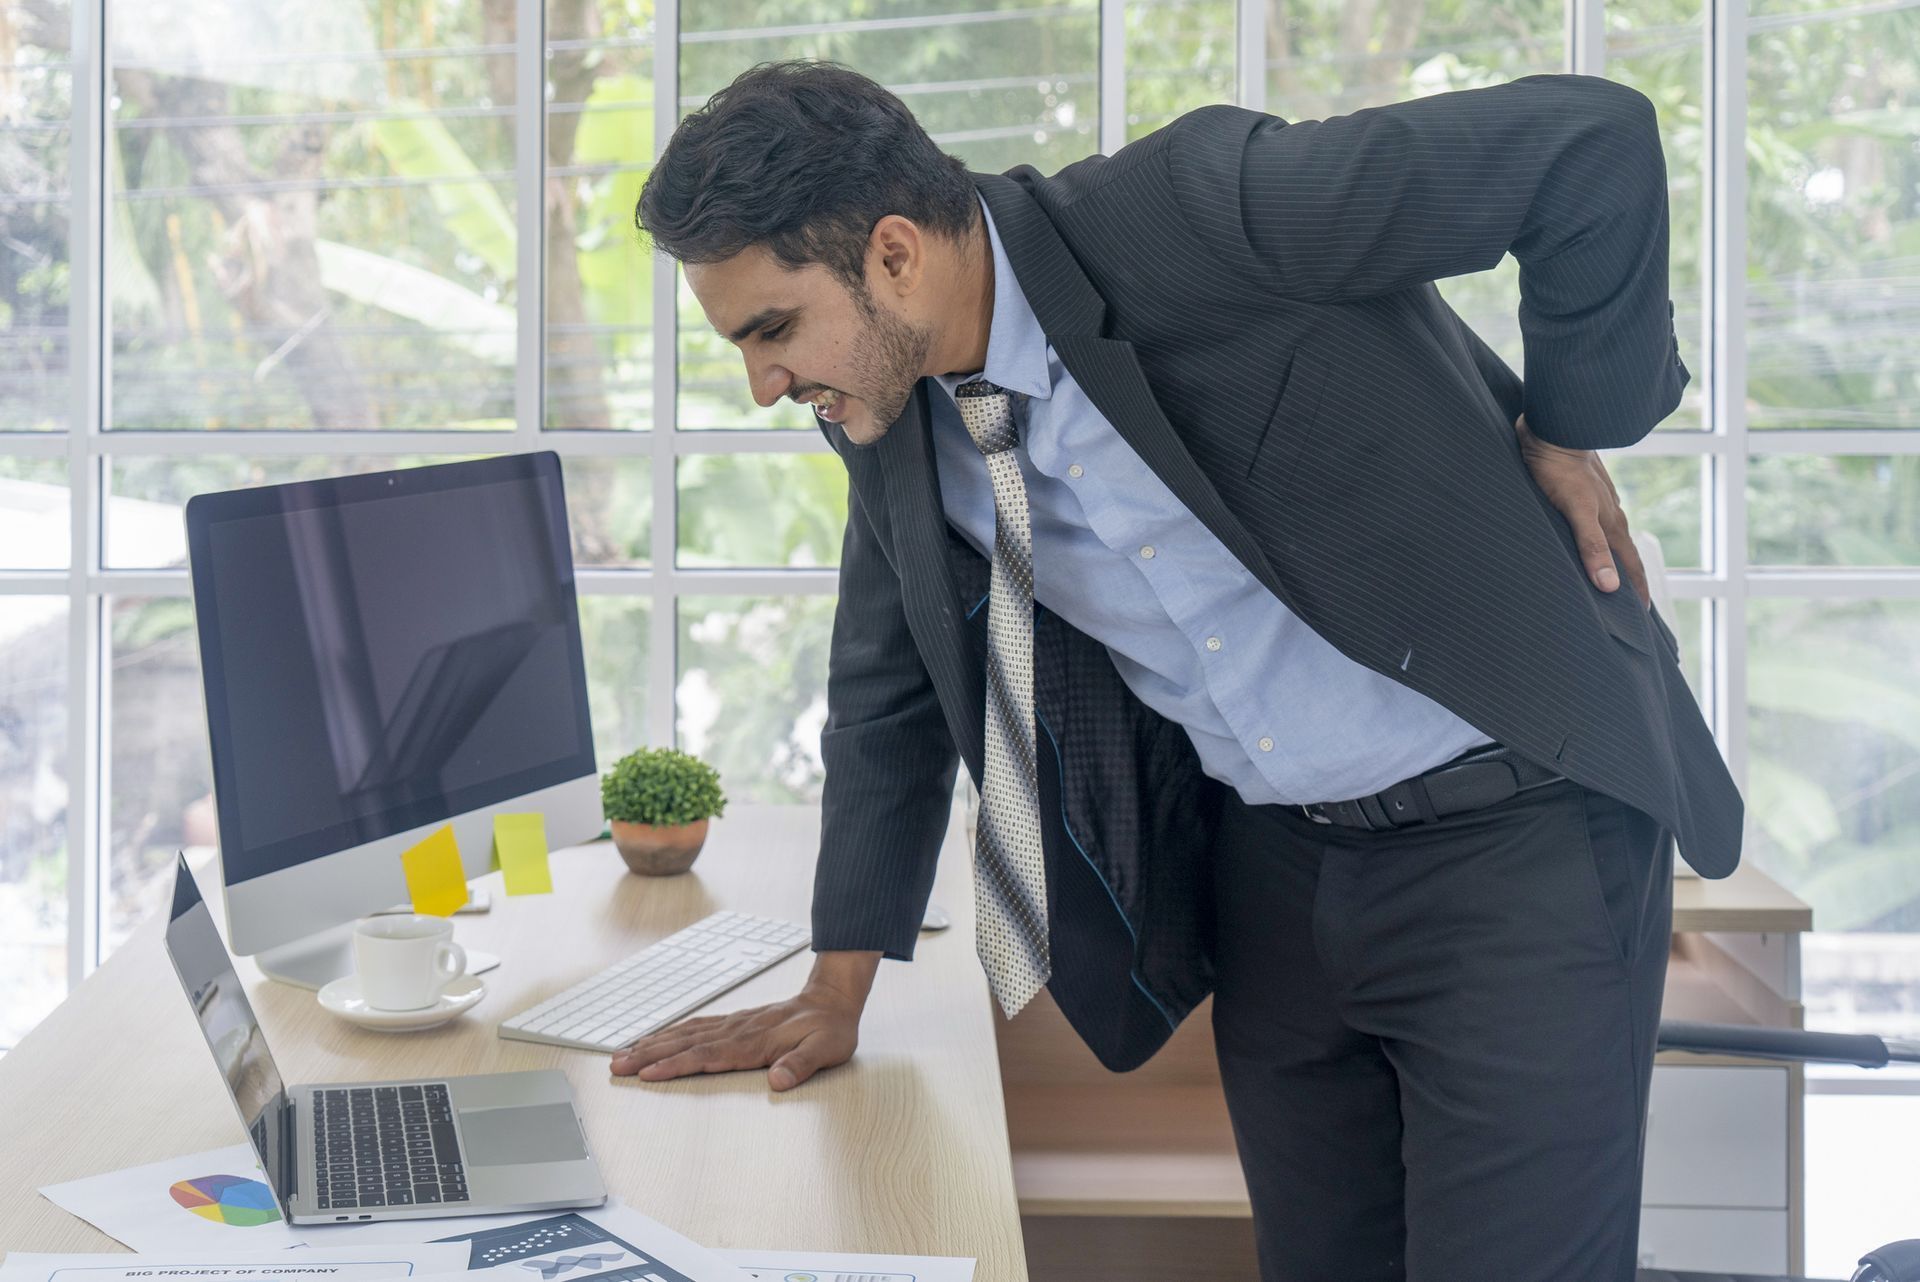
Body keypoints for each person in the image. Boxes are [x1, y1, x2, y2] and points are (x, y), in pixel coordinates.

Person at [617, 58, 1744, 1281]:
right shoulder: (886, 405)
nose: (763, 381)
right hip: (1276, 876)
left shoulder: (1196, 212)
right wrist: (838, 984)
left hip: (1511, 842)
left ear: (893, 253)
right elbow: (890, 687)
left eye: (771, 329)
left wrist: (1566, 425)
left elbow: (1590, 144)